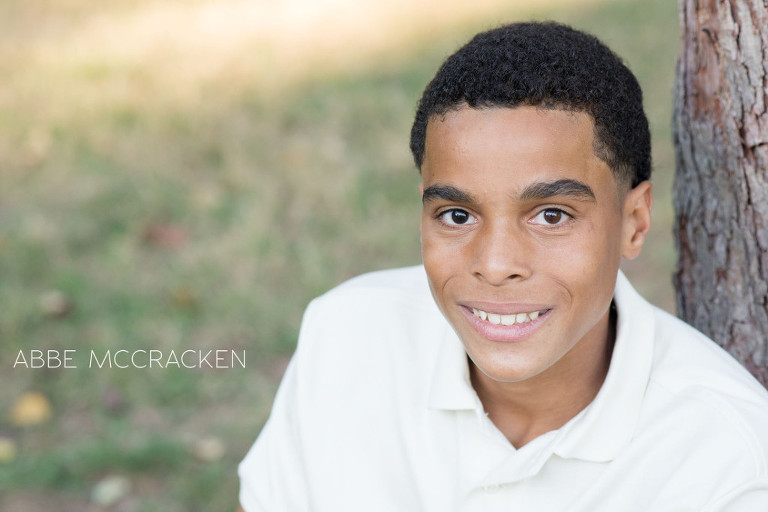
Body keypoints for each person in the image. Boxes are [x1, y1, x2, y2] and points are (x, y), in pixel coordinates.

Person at [237, 22, 768, 511]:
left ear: (633, 221)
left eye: (552, 215)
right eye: (457, 214)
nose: (495, 265)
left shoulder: (725, 462)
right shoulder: (349, 336)